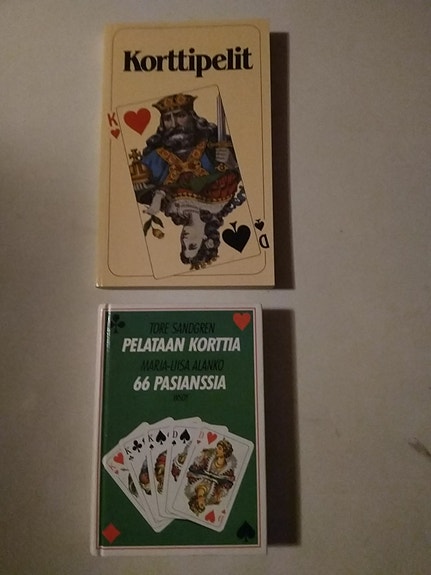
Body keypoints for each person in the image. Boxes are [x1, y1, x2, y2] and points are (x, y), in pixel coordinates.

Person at [131, 93, 246, 270]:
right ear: (207, 240)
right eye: (168, 118)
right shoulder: (220, 200)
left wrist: (155, 195)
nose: (173, 123)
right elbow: (242, 174)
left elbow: (138, 187)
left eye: (179, 116)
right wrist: (232, 163)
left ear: (192, 118)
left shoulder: (171, 209)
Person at [184, 439, 236, 515]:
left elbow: (194, 469)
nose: (216, 449)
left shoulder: (192, 481)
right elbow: (226, 486)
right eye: (204, 506)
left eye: (219, 448)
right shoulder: (213, 496)